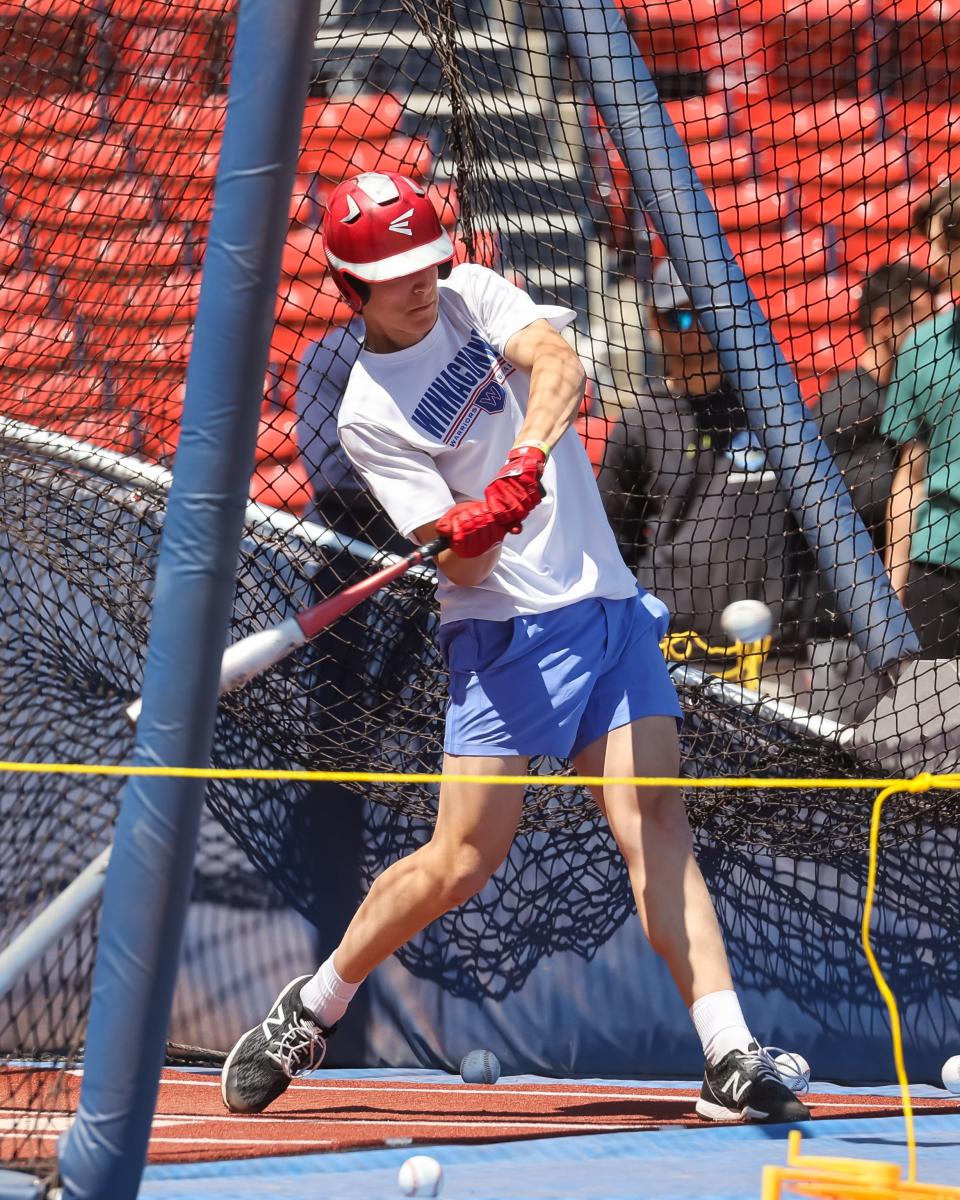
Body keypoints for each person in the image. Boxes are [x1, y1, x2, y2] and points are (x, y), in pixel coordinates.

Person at [220, 171, 810, 1125]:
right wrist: (476, 525)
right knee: (460, 861)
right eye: (399, 273)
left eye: (428, 260)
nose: (424, 281)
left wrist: (523, 463)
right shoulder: (369, 411)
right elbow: (458, 569)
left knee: (654, 827)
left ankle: (728, 1054)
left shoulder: (474, 295)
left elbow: (559, 366)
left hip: (609, 608)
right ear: (353, 289)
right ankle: (317, 1001)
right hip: (507, 636)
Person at [881, 180, 960, 658]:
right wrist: (893, 588)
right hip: (936, 565)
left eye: (939, 244)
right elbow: (909, 475)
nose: (931, 259)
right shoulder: (920, 347)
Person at [813, 262, 940, 555]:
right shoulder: (848, 407)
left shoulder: (906, 394)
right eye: (925, 322)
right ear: (884, 323)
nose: (936, 334)